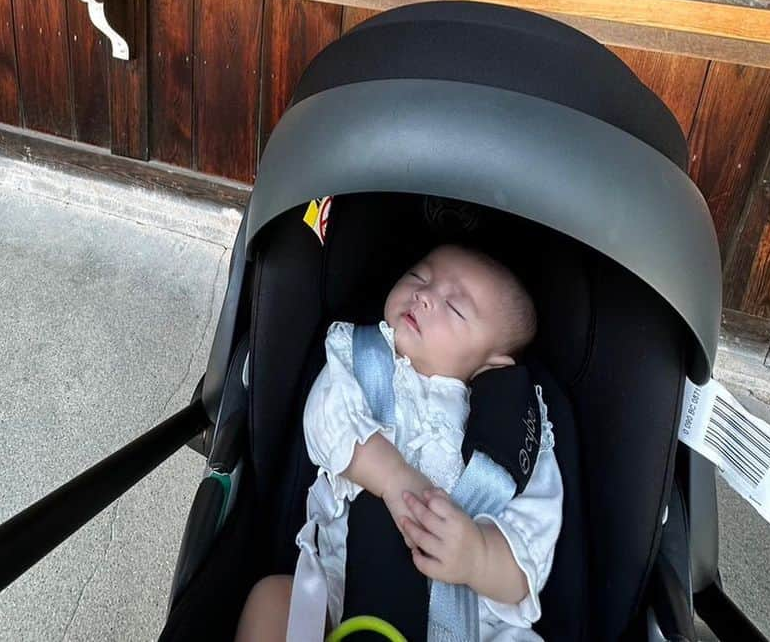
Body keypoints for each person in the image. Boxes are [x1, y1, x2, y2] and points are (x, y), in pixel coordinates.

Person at [235, 245, 563, 642]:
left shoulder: (517, 431)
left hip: (470, 625)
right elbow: (325, 419)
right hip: (340, 603)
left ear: (493, 364)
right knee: (272, 600)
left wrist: (477, 556)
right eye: (418, 277)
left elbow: (531, 551)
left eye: (455, 308)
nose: (424, 295)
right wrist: (392, 478)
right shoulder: (362, 356)